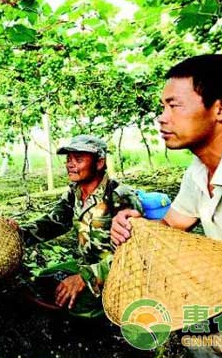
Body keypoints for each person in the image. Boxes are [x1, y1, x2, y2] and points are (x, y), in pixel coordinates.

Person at [111, 54, 222, 358]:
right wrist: (135, 226)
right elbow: (171, 225)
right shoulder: (201, 166)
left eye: (174, 105)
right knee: (194, 317)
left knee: (213, 334)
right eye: (163, 107)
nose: (162, 118)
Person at [16, 135, 141, 316]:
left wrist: (86, 277)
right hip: (85, 265)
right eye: (68, 159)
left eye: (79, 159)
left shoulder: (120, 197)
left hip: (116, 272)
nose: (70, 164)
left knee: (76, 306)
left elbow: (135, 255)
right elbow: (53, 222)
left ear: (99, 163)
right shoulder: (74, 192)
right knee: (41, 283)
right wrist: (16, 233)